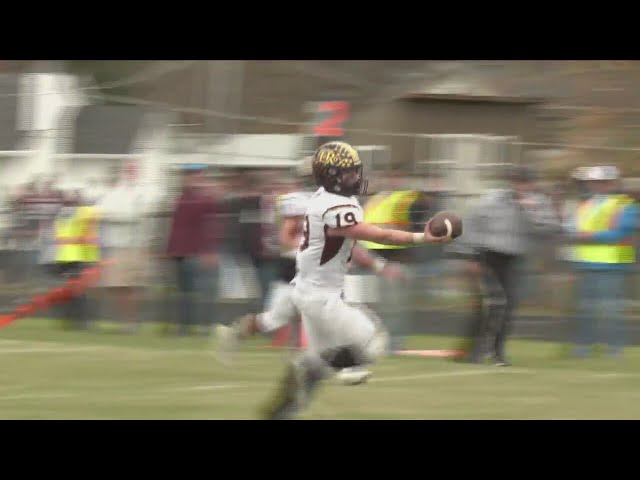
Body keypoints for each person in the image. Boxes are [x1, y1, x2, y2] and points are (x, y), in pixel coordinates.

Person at [259, 141, 453, 420]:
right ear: (330, 175)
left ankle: (281, 412)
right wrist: (423, 237)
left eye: (355, 171)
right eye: (347, 173)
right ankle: (307, 367)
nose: (355, 178)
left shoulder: (330, 200)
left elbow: (353, 245)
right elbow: (378, 235)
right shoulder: (331, 205)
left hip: (313, 292)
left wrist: (376, 263)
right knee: (374, 343)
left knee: (320, 363)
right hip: (321, 297)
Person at [215, 158, 393, 385]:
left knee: (281, 319)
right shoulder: (297, 201)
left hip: (312, 273)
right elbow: (285, 237)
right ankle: (339, 367)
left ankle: (339, 367)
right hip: (300, 271)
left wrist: (374, 263)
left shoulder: (328, 202)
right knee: (286, 319)